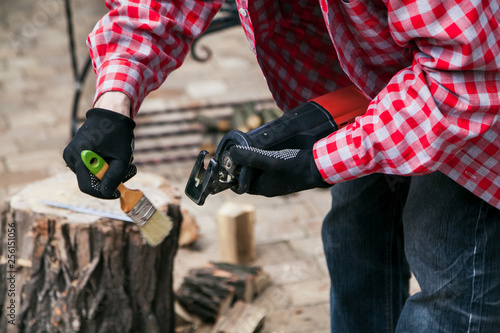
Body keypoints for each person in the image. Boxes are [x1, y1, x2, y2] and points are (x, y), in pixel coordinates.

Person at [63, 0, 500, 331]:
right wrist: (113, 105)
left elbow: (465, 81)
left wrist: (318, 162)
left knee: (449, 260)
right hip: (369, 80)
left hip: (477, 102)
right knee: (355, 230)